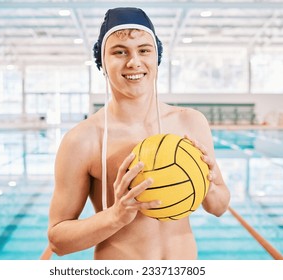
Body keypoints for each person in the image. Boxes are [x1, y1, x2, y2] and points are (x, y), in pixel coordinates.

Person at [48, 7, 230, 260]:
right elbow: (58, 240)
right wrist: (115, 216)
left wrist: (208, 183)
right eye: (120, 52)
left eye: (144, 50)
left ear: (157, 57)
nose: (134, 62)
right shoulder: (83, 140)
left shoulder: (191, 122)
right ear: (102, 62)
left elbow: (219, 207)